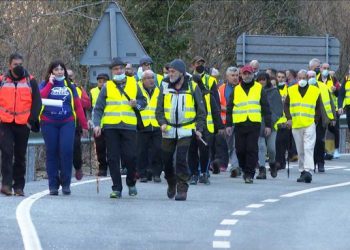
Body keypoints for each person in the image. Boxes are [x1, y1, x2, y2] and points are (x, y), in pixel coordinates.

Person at [93, 57, 147, 199]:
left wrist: (137, 104)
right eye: (116, 69)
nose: (119, 71)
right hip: (111, 127)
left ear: (125, 69)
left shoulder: (134, 83)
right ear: (112, 71)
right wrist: (97, 124)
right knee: (112, 158)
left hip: (129, 126)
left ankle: (131, 182)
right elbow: (98, 108)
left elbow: (144, 102)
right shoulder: (107, 86)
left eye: (121, 68)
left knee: (131, 157)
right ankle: (116, 188)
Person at [156, 59, 206, 201]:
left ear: (182, 73)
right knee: (166, 160)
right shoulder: (164, 85)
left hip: (186, 128)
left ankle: (182, 187)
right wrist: (162, 122)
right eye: (169, 71)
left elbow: (201, 111)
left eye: (173, 71)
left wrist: (199, 128)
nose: (170, 74)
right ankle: (171, 181)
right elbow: (158, 109)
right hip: (168, 129)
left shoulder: (193, 86)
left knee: (180, 159)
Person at [39, 60, 88, 195]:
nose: (59, 71)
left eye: (61, 69)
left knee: (66, 151)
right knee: (52, 152)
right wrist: (50, 84)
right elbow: (40, 97)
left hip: (67, 122)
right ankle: (53, 185)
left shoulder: (70, 86)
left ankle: (66, 183)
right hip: (48, 122)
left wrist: (84, 125)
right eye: (56, 69)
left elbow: (78, 106)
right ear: (51, 72)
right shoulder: (44, 84)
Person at [0, 53, 42, 196]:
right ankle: (6, 184)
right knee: (6, 153)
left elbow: (37, 103)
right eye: (15, 65)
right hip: (5, 123)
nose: (18, 67)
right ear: (9, 66)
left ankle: (19, 186)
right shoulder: (2, 80)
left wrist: (30, 122)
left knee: (19, 155)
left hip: (23, 124)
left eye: (20, 64)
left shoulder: (31, 81)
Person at [226, 65, 272, 184]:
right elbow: (229, 108)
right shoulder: (236, 89)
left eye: (249, 74)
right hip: (240, 123)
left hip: (254, 123)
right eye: (245, 73)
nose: (247, 76)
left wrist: (268, 125)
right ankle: (243, 167)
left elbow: (266, 107)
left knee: (252, 149)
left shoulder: (258, 88)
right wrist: (228, 125)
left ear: (253, 75)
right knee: (240, 150)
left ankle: (249, 173)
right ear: (241, 75)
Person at [188, 69, 225, 185]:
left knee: (204, 152)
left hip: (206, 128)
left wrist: (219, 127)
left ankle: (204, 172)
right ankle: (194, 173)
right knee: (192, 151)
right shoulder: (188, 95)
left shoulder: (208, 95)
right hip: (191, 127)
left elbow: (215, 111)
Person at [284, 69, 321, 183]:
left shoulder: (315, 90)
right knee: (300, 150)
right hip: (296, 124)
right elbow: (286, 105)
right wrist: (289, 119)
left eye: (304, 78)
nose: (301, 80)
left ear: (308, 78)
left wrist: (315, 119)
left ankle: (308, 171)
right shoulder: (291, 90)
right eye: (299, 78)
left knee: (308, 148)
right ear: (296, 79)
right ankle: (302, 171)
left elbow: (318, 107)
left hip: (309, 123)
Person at [214, 66, 240, 178]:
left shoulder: (242, 88)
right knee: (229, 146)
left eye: (237, 75)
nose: (235, 78)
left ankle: (236, 167)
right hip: (225, 121)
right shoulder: (220, 89)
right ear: (227, 76)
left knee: (237, 146)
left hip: (240, 121)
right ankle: (229, 165)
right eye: (232, 76)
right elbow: (216, 103)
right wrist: (226, 109)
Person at [137, 70, 163, 183]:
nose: (151, 80)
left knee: (158, 150)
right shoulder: (138, 90)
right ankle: (143, 174)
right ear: (143, 80)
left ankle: (156, 173)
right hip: (143, 125)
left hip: (157, 125)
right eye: (148, 78)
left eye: (152, 77)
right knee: (142, 151)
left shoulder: (159, 91)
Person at [255, 72, 281, 179]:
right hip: (258, 123)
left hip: (271, 123)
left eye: (263, 79)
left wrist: (270, 124)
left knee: (271, 149)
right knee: (261, 147)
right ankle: (262, 169)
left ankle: (272, 164)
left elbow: (278, 109)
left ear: (267, 80)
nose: (261, 82)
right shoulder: (255, 91)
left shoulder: (274, 92)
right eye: (259, 80)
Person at [67, 69, 91, 180]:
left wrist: (76, 100)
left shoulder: (79, 89)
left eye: (71, 76)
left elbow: (87, 103)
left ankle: (78, 167)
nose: (69, 78)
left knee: (76, 147)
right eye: (67, 76)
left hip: (76, 123)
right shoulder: (57, 88)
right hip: (61, 121)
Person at [312, 69, 337, 172]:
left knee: (319, 141)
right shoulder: (302, 88)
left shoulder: (323, 87)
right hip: (307, 119)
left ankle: (320, 163)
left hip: (321, 119)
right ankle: (311, 163)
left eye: (312, 77)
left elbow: (330, 103)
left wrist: (333, 117)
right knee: (310, 143)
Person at [90, 73, 109, 176]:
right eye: (100, 81)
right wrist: (90, 120)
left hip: (110, 123)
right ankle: (102, 168)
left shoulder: (112, 90)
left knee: (111, 148)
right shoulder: (92, 92)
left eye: (104, 81)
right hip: (97, 125)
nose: (102, 83)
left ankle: (114, 166)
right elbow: (89, 107)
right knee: (100, 147)